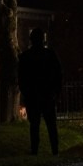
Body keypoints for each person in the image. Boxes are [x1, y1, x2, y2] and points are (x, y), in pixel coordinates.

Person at [17, 27, 64, 156]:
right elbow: (58, 74)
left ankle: (34, 151)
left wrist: (26, 92)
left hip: (33, 96)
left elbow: (21, 78)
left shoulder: (25, 57)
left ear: (31, 40)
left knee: (34, 125)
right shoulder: (50, 55)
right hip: (48, 95)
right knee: (51, 125)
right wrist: (57, 92)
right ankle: (55, 150)